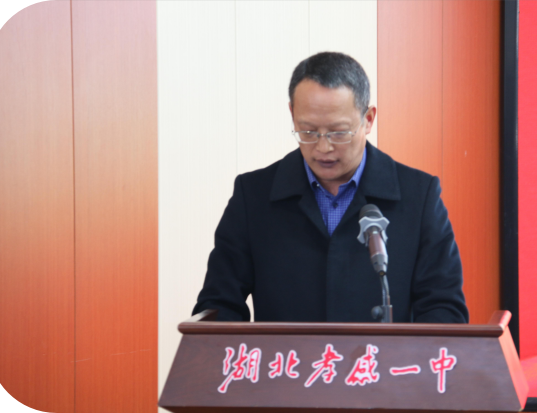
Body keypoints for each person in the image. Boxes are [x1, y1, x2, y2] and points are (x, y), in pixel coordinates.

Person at [193, 52, 468, 323]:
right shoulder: (253, 196)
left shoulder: (419, 197)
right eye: (308, 131)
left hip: (380, 356)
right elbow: (219, 304)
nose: (323, 148)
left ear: (368, 119)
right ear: (292, 114)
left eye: (339, 132)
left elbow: (444, 310)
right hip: (289, 356)